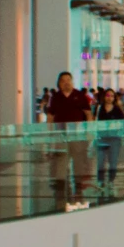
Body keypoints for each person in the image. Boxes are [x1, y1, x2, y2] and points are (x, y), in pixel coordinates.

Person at [46, 70, 93, 200]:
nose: (66, 83)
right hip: (60, 134)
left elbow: (88, 114)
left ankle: (78, 186)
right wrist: (50, 134)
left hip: (77, 134)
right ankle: (61, 186)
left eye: (68, 80)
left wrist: (89, 131)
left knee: (78, 159)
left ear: (72, 82)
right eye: (63, 81)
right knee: (61, 159)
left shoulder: (79, 95)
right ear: (59, 84)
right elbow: (50, 116)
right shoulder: (55, 97)